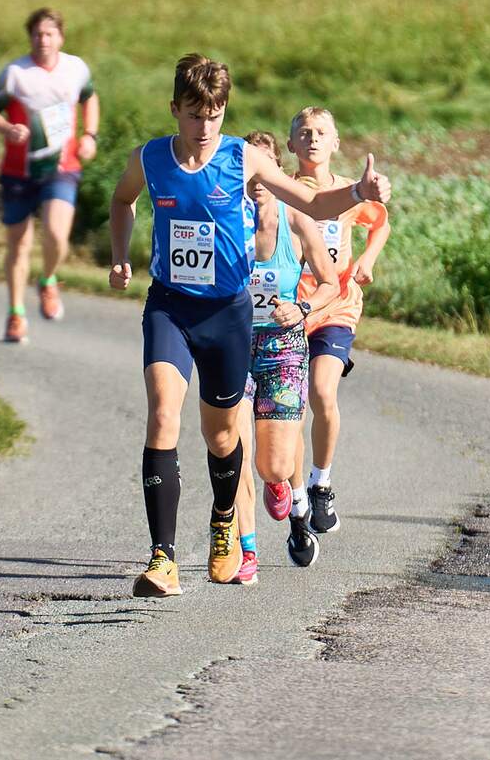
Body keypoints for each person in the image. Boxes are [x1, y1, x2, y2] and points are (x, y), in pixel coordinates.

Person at [108, 54, 390, 597]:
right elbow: (123, 200)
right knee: (163, 413)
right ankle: (162, 558)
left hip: (228, 312)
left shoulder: (242, 159)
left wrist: (357, 193)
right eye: (194, 114)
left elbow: (309, 199)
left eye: (214, 114)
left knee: (221, 437)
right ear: (175, 111)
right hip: (169, 304)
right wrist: (122, 254)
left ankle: (223, 519)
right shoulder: (150, 159)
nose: (205, 126)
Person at [230, 131, 339, 584]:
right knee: (231, 451)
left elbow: (332, 282)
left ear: (275, 171)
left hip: (282, 347)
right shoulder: (225, 219)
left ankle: (289, 495)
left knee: (271, 464)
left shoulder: (297, 220)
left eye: (264, 167)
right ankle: (246, 551)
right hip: (233, 346)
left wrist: (304, 307)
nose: (256, 178)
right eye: (247, 169)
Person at [288, 107, 391, 535]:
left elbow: (380, 222)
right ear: (291, 144)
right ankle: (294, 496)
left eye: (321, 132)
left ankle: (321, 484)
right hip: (289, 309)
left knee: (322, 390)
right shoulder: (283, 191)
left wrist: (367, 259)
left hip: (337, 306)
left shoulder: (350, 194)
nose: (312, 139)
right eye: (304, 132)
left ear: (335, 143)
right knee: (289, 410)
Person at [0, 8, 100, 343]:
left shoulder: (75, 68)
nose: (43, 40)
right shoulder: (15, 74)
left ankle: (48, 279)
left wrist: (90, 136)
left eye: (49, 34)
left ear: (61, 37)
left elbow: (90, 98)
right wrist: (7, 128)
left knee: (56, 235)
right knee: (18, 245)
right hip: (19, 171)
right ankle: (16, 313)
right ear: (29, 37)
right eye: (37, 34)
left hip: (62, 168)